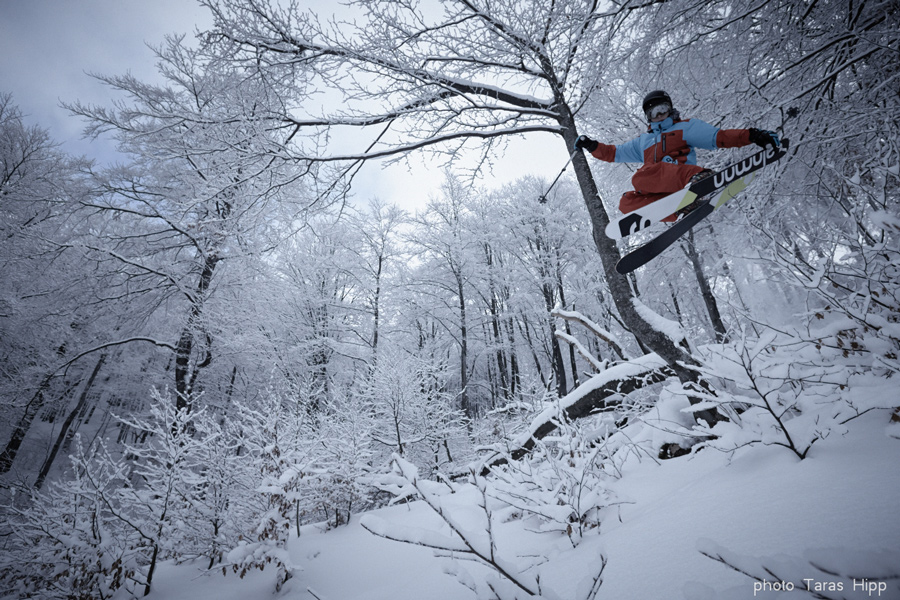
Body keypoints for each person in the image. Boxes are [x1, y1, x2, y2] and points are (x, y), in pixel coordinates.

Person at [575, 90, 780, 221]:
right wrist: (592, 145)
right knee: (626, 204)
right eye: (652, 113)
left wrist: (753, 136)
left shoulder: (684, 127)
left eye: (662, 110)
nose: (658, 116)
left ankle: (701, 180)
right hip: (663, 190)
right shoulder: (643, 141)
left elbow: (721, 137)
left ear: (670, 109)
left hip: (683, 178)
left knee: (641, 176)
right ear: (647, 117)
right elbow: (614, 153)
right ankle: (682, 207)